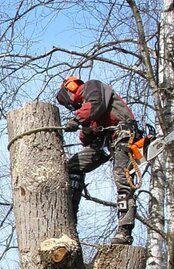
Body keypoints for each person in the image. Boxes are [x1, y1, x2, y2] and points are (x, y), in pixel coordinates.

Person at [56, 75, 141, 245]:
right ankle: (69, 216)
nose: (72, 106)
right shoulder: (89, 108)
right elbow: (87, 137)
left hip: (123, 134)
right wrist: (85, 129)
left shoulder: (92, 87)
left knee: (122, 179)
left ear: (70, 90)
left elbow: (95, 105)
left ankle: (125, 231)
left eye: (68, 103)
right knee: (72, 166)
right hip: (106, 140)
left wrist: (77, 119)